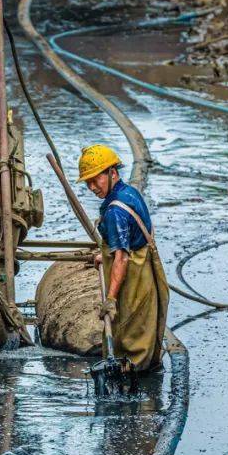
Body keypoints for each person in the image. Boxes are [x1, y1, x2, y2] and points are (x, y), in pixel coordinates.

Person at [76, 144, 169, 372]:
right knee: (143, 325)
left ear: (112, 173)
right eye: (87, 182)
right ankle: (142, 365)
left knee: (129, 329)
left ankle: (132, 376)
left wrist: (111, 300)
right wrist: (103, 256)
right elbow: (129, 240)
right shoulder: (129, 192)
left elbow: (122, 259)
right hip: (144, 266)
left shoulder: (115, 211)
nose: (91, 187)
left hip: (134, 275)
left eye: (95, 180)